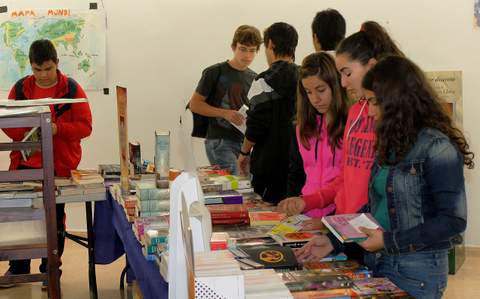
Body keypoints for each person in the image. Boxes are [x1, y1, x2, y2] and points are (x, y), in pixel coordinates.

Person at [280, 21, 404, 258]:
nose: (343, 82)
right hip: (347, 229)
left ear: (371, 66)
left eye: (346, 74)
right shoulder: (356, 113)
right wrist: (312, 207)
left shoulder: (387, 116)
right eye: (341, 75)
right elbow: (346, 178)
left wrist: (331, 221)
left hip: (378, 235)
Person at [357, 55, 473, 298]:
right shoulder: (391, 142)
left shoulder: (437, 147)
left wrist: (388, 241)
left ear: (396, 101)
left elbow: (452, 221)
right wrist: (334, 239)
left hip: (416, 272)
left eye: (374, 102)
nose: (369, 112)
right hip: (378, 263)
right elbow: (378, 206)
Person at [1, 39, 92, 289]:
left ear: (57, 64)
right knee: (20, 217)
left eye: (48, 69)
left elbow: (85, 127)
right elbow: (8, 126)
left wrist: (56, 129)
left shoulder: (72, 89)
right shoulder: (19, 89)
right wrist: (29, 131)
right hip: (24, 164)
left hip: (59, 165)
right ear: (30, 66)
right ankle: (18, 269)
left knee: (54, 218)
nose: (42, 75)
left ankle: (51, 271)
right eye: (37, 70)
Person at [237, 22, 299, 204]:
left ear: (270, 44)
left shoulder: (263, 81)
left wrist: (244, 152)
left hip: (268, 164)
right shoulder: (305, 77)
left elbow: (256, 125)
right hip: (298, 163)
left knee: (267, 214)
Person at [189, 25, 262, 175]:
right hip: (219, 140)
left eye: (252, 50)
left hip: (243, 144)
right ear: (233, 47)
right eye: (243, 49)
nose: (247, 55)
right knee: (235, 187)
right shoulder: (214, 72)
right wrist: (225, 113)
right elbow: (195, 104)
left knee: (244, 189)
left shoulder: (255, 78)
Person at [284, 52, 349, 219]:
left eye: (321, 90)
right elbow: (296, 172)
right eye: (308, 92)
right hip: (307, 213)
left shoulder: (351, 125)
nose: (315, 99)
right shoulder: (302, 127)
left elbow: (349, 182)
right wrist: (292, 205)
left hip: (339, 215)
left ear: (336, 85)